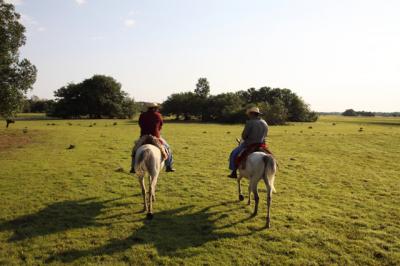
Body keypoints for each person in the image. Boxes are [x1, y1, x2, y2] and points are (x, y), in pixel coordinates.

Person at [130, 103, 175, 173]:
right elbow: (160, 125)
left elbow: (140, 124)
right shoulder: (158, 115)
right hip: (155, 137)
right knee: (167, 148)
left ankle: (133, 167)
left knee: (134, 150)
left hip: (144, 136)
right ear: (154, 108)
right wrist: (157, 131)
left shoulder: (142, 115)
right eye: (156, 108)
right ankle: (169, 166)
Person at [228, 106, 268, 178]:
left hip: (249, 144)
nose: (248, 115)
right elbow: (265, 134)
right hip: (261, 144)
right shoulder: (264, 122)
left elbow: (244, 136)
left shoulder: (250, 122)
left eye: (249, 114)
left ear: (252, 114)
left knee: (234, 153)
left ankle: (234, 172)